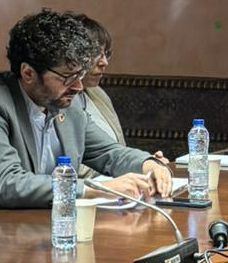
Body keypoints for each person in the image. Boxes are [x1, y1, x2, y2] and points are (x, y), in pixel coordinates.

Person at [0, 10, 172, 225]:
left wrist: (149, 165)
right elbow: (7, 184)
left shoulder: (67, 104)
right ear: (28, 73)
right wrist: (96, 189)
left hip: (29, 227)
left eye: (80, 75)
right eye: (67, 77)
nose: (78, 87)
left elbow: (110, 152)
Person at [70, 14, 168, 178]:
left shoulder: (97, 93)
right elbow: (67, 166)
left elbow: (112, 152)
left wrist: (144, 163)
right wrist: (128, 171)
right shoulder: (58, 102)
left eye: (106, 54)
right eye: (96, 54)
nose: (104, 62)